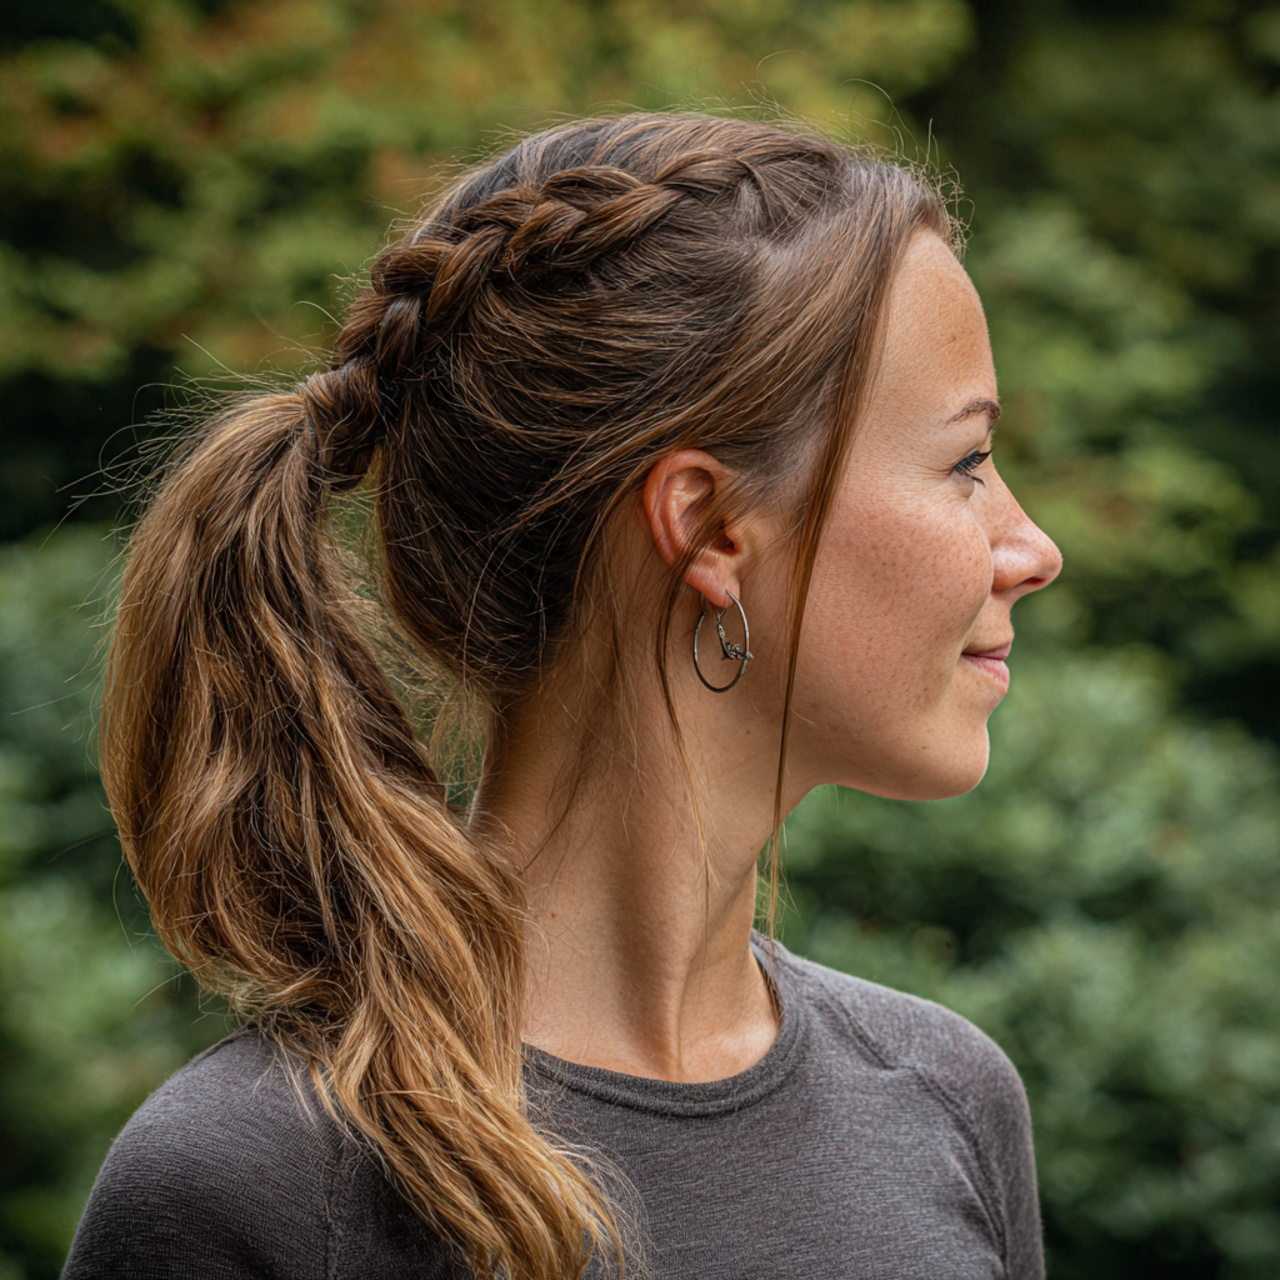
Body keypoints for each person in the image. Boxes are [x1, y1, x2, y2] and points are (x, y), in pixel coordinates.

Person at [63, 112, 1062, 1280]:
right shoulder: (254, 1186)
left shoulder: (945, 1100)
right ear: (707, 525)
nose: (1030, 547)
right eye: (962, 463)